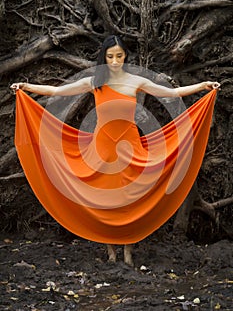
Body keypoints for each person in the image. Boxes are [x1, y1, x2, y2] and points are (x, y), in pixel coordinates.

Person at [10, 35, 220, 267]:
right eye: (110, 56)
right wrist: (26, 87)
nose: (115, 60)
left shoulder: (135, 81)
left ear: (125, 56)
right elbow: (58, 91)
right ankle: (110, 251)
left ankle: (128, 250)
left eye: (119, 56)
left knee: (128, 201)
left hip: (130, 148)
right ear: (104, 57)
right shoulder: (94, 82)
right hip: (102, 150)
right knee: (105, 201)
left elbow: (171, 93)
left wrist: (202, 86)